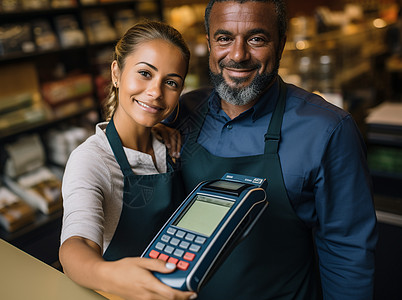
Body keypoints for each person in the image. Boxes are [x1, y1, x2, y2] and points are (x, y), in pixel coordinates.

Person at [159, 0, 378, 299]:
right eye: (224, 38)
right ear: (209, 43)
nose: (238, 55)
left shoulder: (327, 129)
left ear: (282, 43)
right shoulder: (182, 111)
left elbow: (348, 252)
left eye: (256, 39)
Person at [59, 21, 197, 300]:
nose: (156, 92)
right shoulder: (91, 160)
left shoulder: (169, 144)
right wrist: (110, 275)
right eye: (145, 73)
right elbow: (78, 244)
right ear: (116, 73)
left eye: (171, 82)